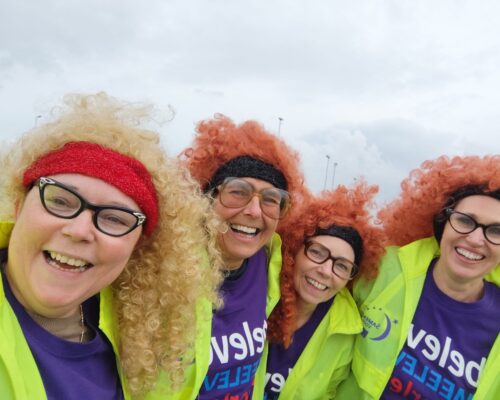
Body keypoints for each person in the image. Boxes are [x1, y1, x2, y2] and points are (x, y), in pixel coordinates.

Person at [0, 93, 222, 399]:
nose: (80, 230)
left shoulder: (142, 331)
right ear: (19, 205)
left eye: (115, 219)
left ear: (137, 246)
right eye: (60, 201)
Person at [336, 155, 500, 400]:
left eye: (496, 231)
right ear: (443, 222)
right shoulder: (381, 267)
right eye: (465, 221)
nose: (476, 240)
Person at [171, 114, 305, 400]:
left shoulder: (270, 262)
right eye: (238, 192)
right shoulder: (167, 266)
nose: (254, 211)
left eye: (270, 199)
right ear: (207, 199)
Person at [264, 182, 385, 399]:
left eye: (342, 266)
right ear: (295, 249)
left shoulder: (345, 335)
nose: (326, 271)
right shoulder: (258, 293)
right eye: (318, 253)